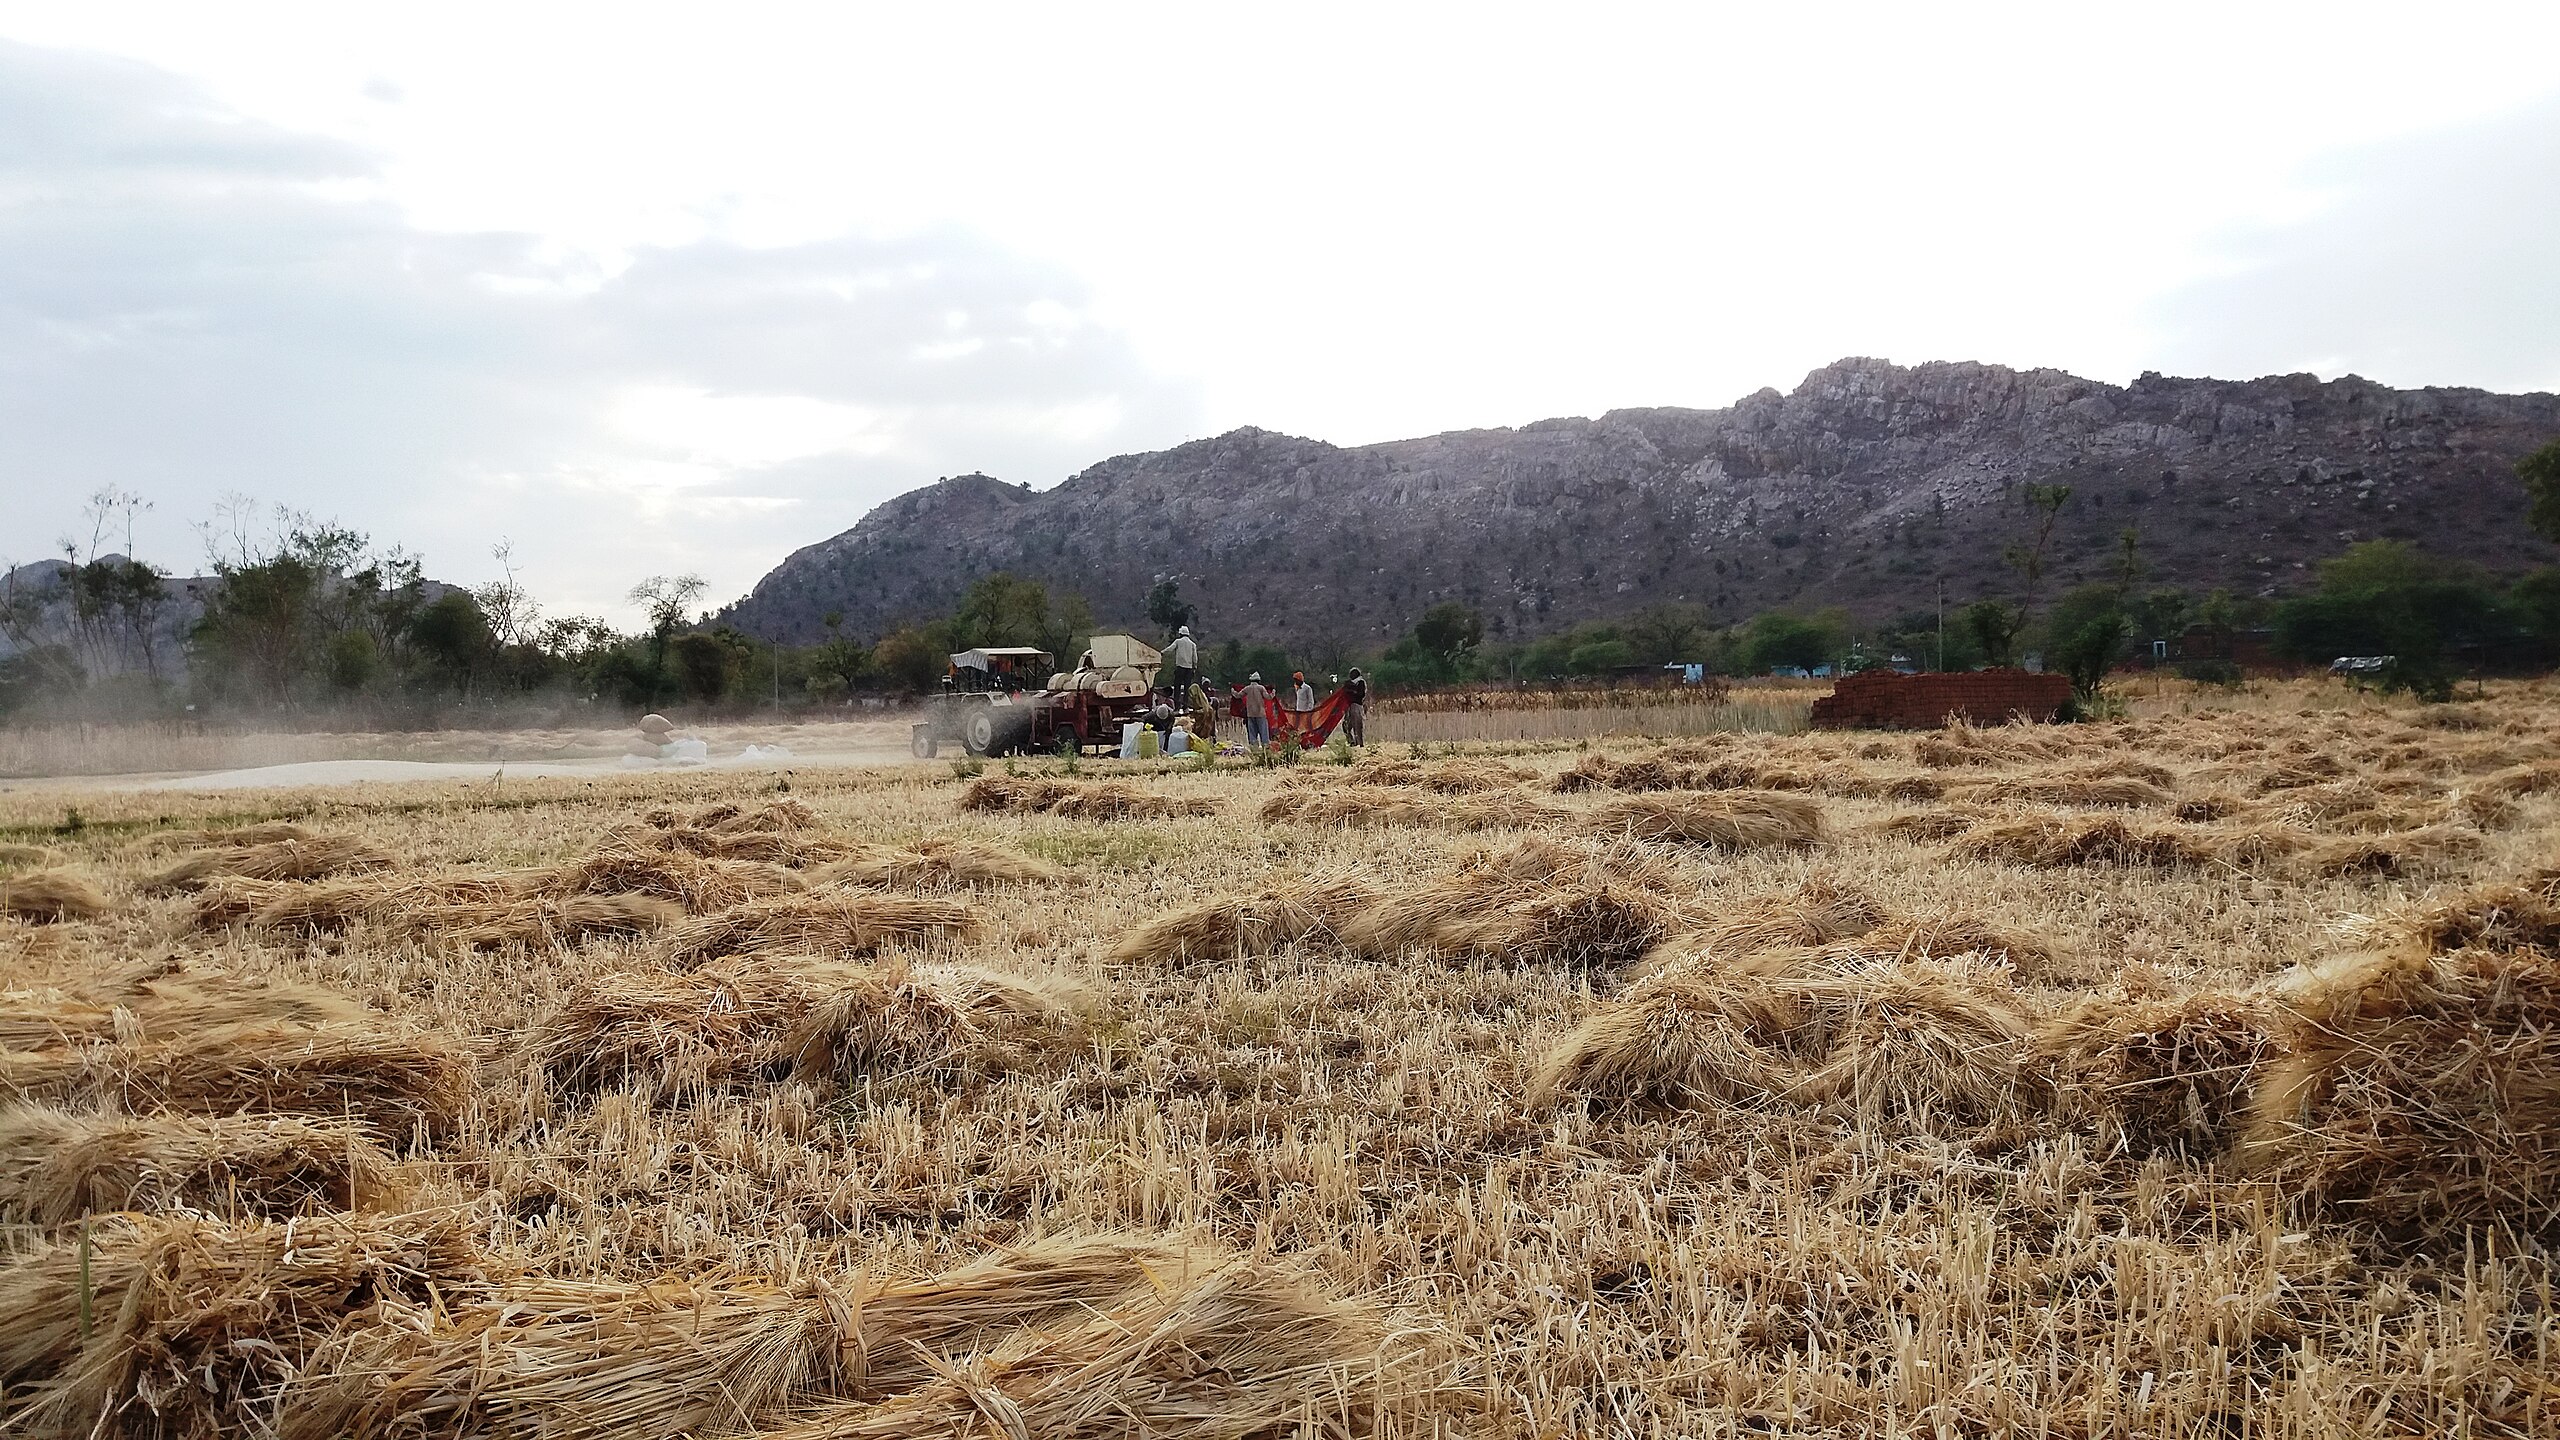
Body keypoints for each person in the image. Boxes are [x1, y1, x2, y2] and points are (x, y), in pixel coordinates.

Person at [1241, 672, 1271, 749]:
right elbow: (1268, 697)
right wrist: (1273, 692)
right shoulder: (1261, 688)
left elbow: (1237, 695)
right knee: (1264, 733)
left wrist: (1232, 690)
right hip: (1260, 714)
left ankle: (1254, 749)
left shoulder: (1247, 688)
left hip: (1250, 714)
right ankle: (1265, 749)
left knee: (1252, 734)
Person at [1168, 625, 1198, 695]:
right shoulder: (1193, 644)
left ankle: (1177, 704)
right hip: (1189, 668)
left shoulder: (1178, 641)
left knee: (1177, 686)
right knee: (1187, 688)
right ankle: (1185, 704)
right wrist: (1194, 667)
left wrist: (1161, 652)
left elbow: (1170, 649)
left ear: (1181, 633)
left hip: (1180, 667)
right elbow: (1195, 658)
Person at [1344, 667, 1367, 747]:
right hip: (1349, 706)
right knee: (1346, 726)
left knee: (1357, 726)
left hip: (1356, 705)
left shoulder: (1360, 682)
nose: (1350, 675)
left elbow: (1361, 694)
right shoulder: (1350, 683)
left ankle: (1359, 744)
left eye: (1352, 674)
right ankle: (1352, 742)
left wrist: (1351, 692)